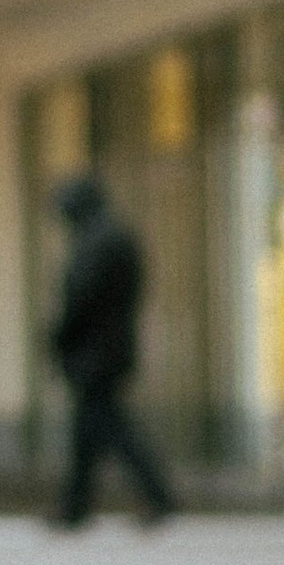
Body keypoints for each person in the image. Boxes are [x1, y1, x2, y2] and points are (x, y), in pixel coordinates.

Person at [50, 172, 176, 529]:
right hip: (107, 347)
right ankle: (77, 504)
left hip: (98, 350)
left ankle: (156, 494)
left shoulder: (99, 242)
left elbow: (81, 298)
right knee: (90, 428)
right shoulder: (110, 238)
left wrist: (61, 336)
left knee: (109, 427)